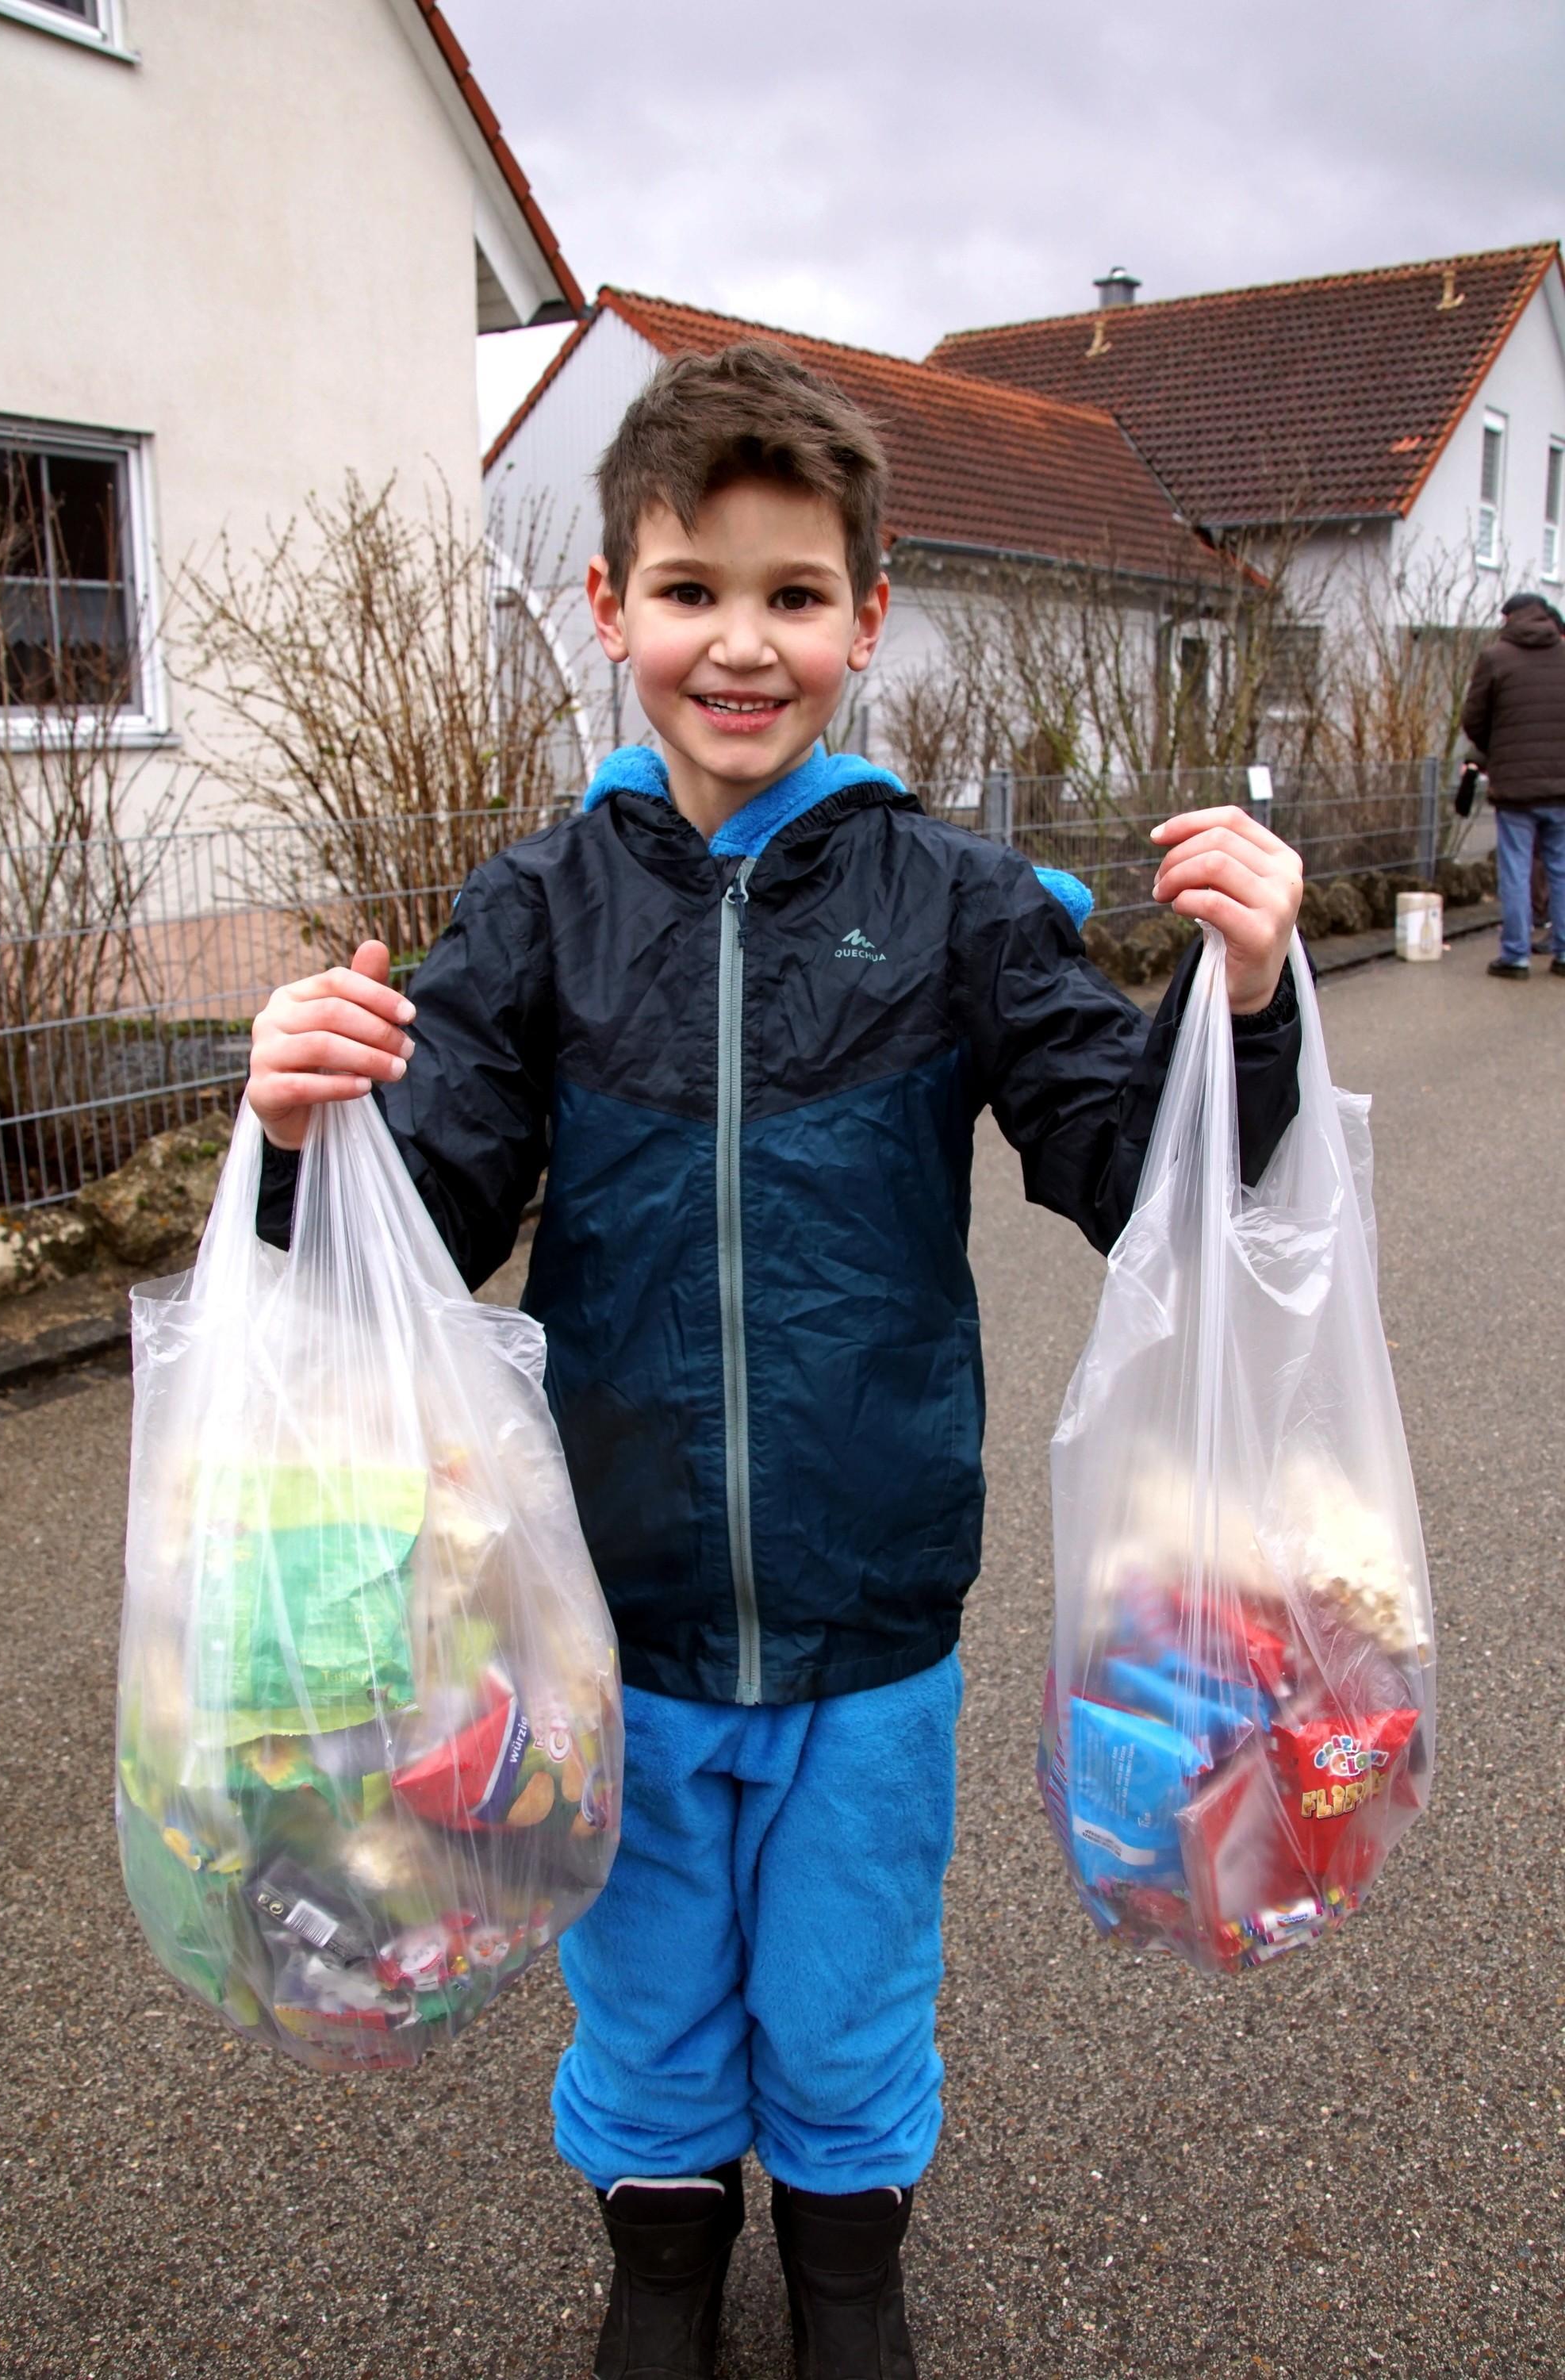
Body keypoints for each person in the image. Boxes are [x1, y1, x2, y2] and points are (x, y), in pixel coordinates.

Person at [247, 344, 1306, 2380]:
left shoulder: (958, 902)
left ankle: (841, 2256)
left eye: (793, 593)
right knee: (643, 1979)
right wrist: (302, 1136)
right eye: (690, 589)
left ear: (867, 614)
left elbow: (1131, 1164)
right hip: (612, 1609)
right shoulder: (539, 909)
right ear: (608, 607)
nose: (740, 643)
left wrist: (1243, 1002)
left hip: (871, 1600)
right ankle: (660, 2258)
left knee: (840, 1980)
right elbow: (428, 1197)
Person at [1459, 589, 1565, 979]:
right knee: (1561, 868)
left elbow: (1474, 719)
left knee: (1517, 869)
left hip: (1515, 787)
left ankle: (1516, 956)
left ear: (1510, 618)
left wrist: (1496, 749)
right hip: (1562, 788)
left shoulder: (1496, 657)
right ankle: (1564, 953)